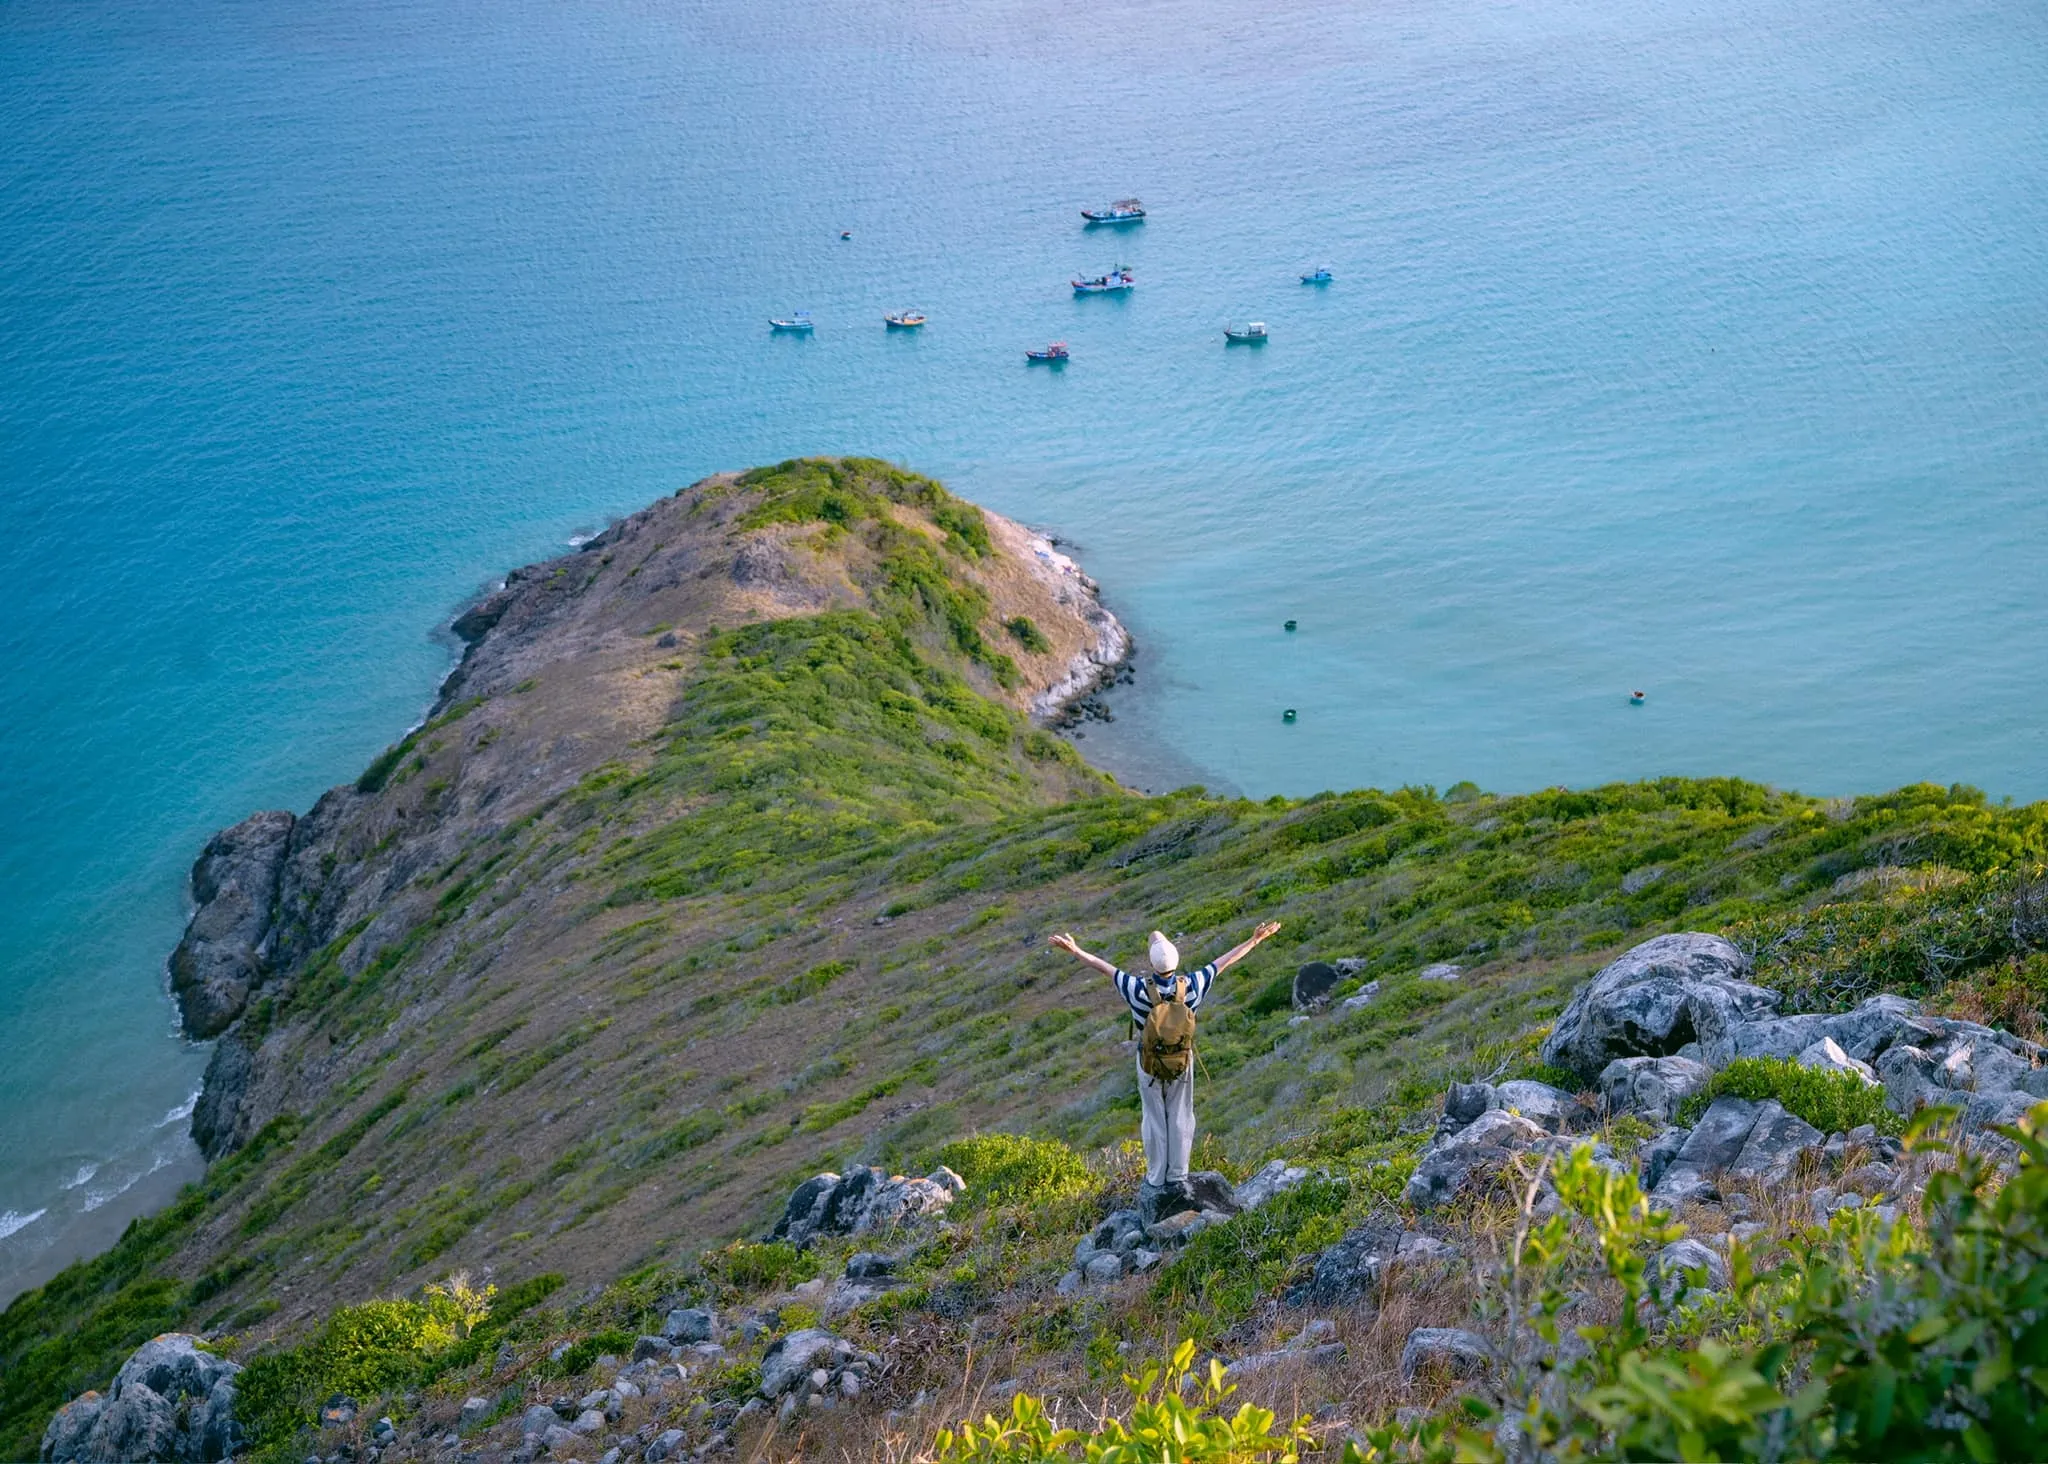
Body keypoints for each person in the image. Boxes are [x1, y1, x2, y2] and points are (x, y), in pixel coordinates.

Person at [1049, 920, 1282, 1213]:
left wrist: (1075, 950)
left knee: (1154, 1116)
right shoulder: (1194, 984)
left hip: (1148, 1063)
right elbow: (1224, 961)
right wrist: (1255, 940)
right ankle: (1178, 1174)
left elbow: (1103, 967)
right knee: (1181, 1114)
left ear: (1151, 964)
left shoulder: (1136, 988)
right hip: (1182, 1060)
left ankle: (1157, 1176)